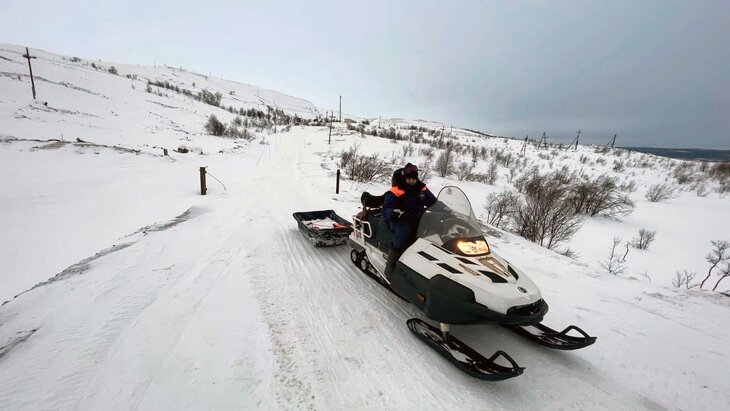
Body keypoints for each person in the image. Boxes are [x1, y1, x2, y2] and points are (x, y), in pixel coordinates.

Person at [382, 163, 437, 278]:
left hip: (417, 217)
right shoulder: (396, 190)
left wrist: (446, 209)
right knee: (404, 231)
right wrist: (393, 212)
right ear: (404, 178)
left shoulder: (422, 189)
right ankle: (391, 265)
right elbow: (386, 207)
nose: (411, 181)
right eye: (409, 179)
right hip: (399, 218)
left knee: (433, 230)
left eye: (413, 179)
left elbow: (434, 202)